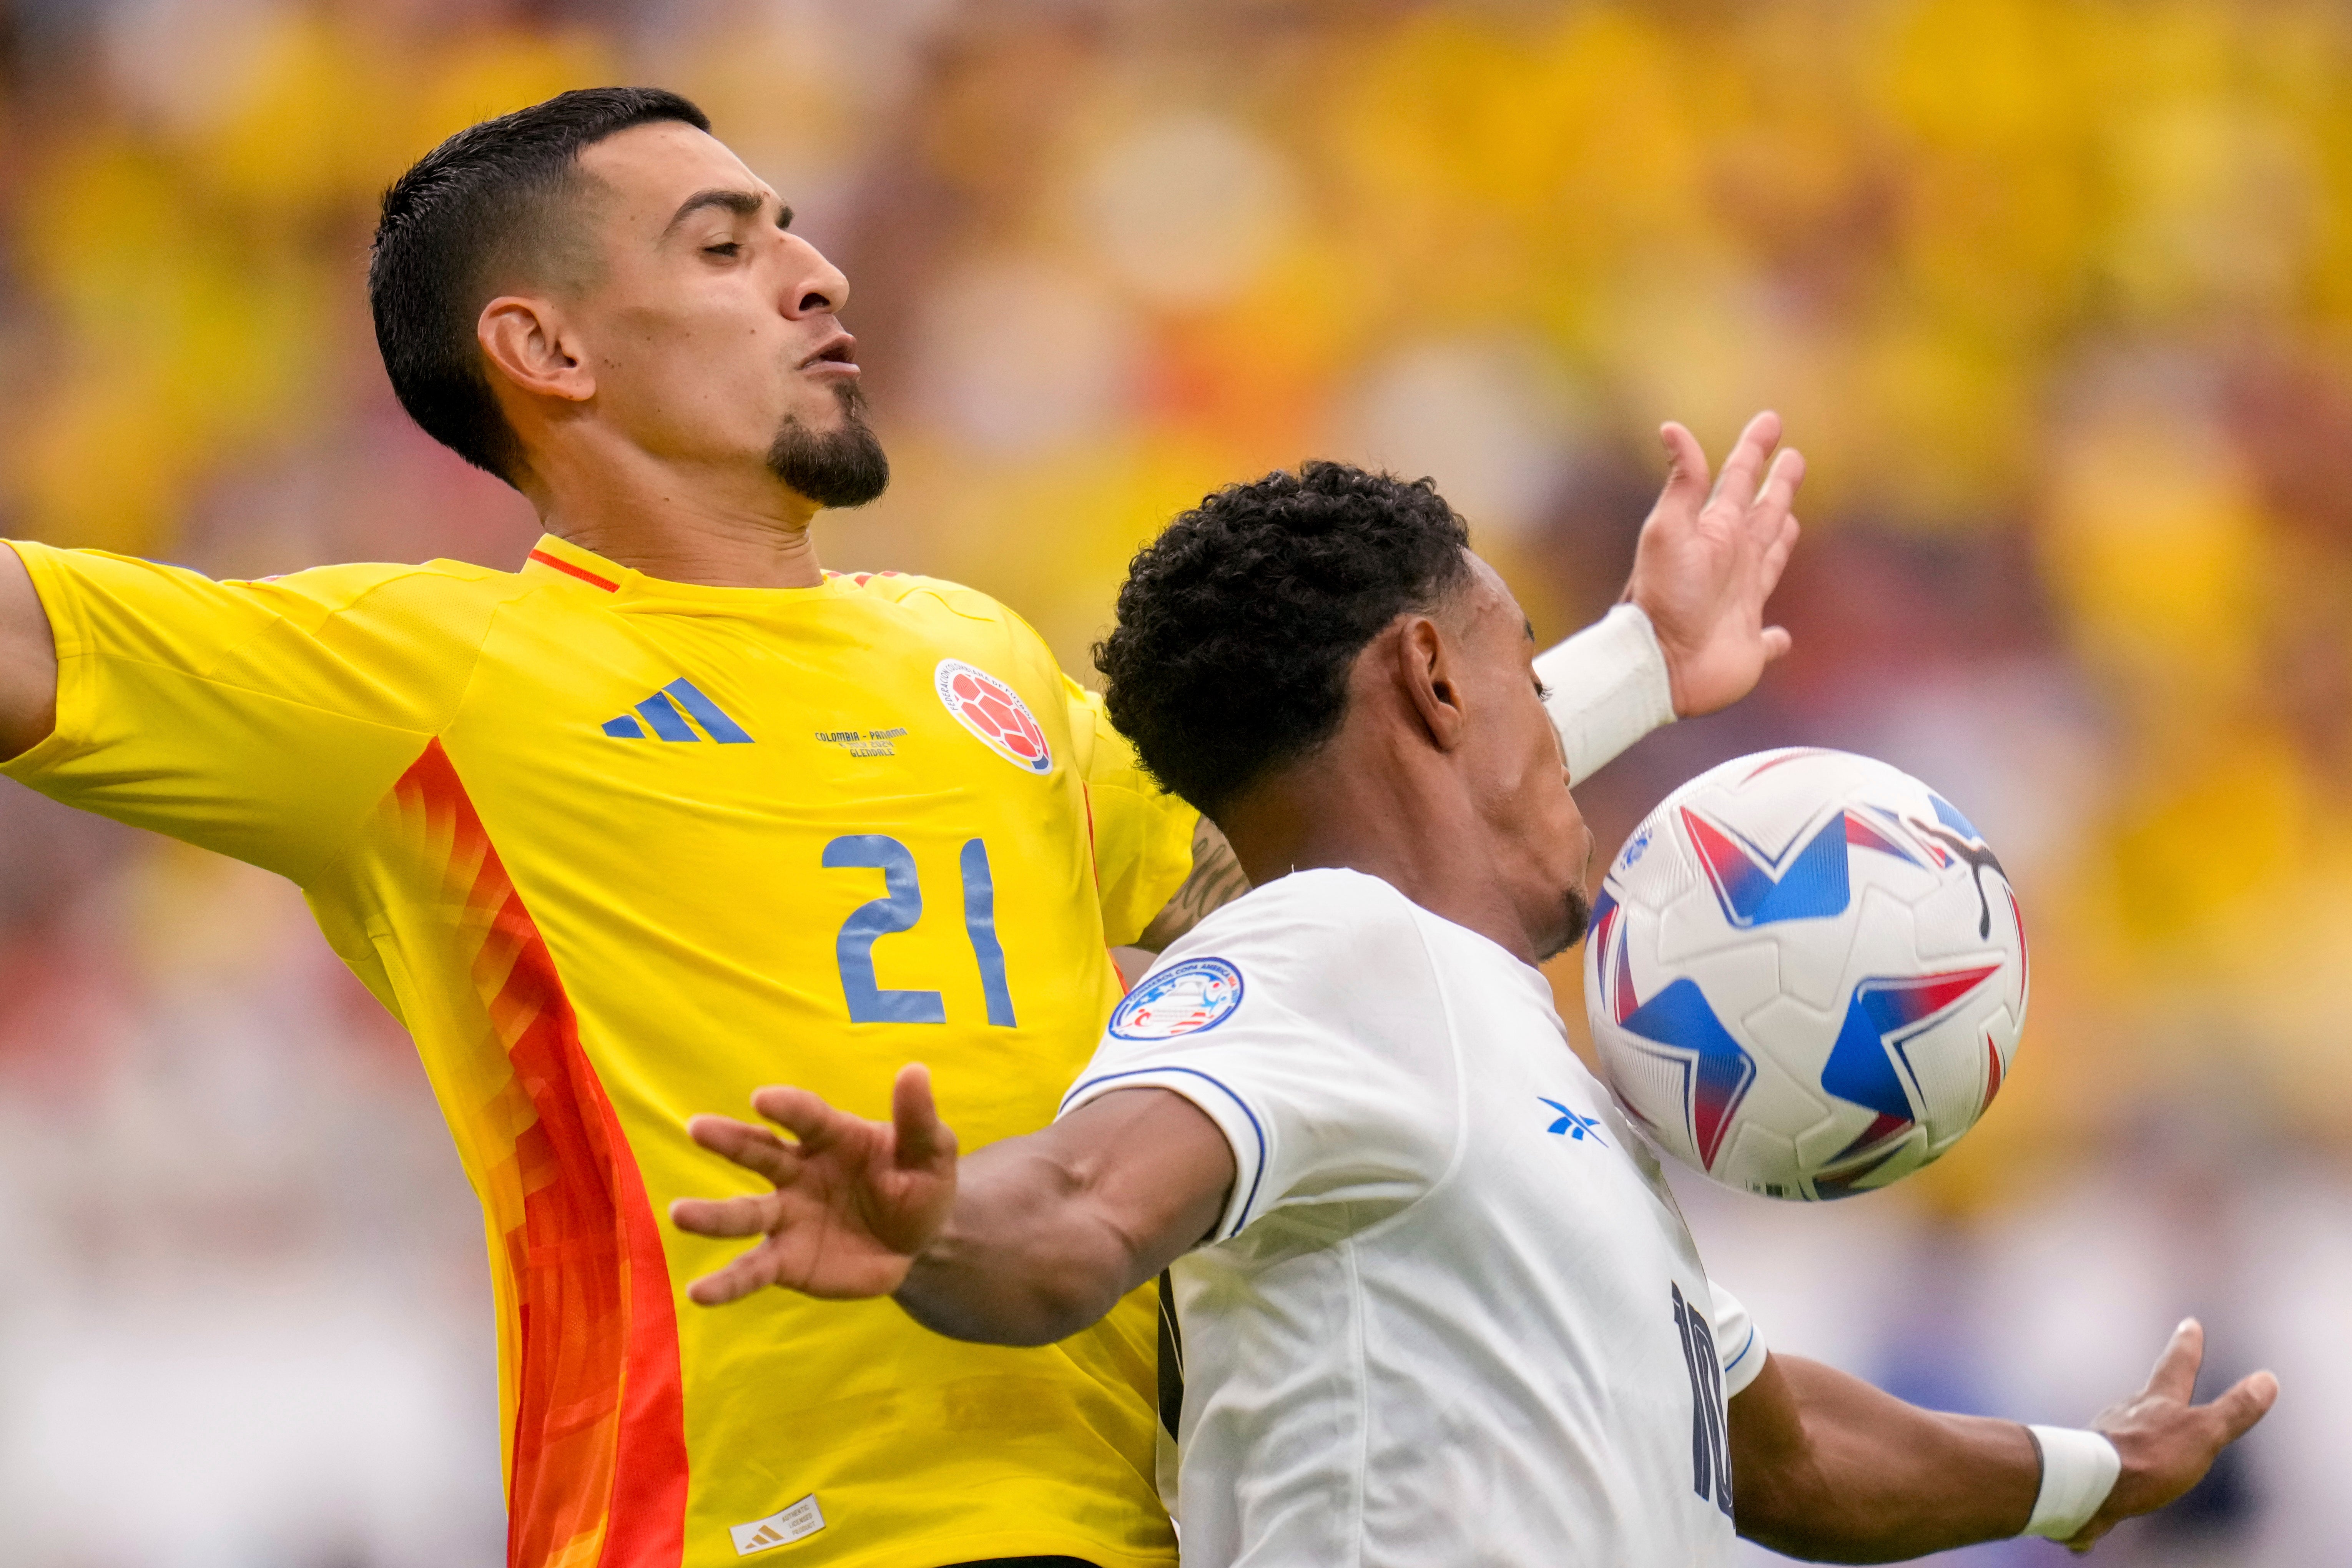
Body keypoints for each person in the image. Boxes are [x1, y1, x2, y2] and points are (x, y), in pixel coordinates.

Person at [0, 88, 1809, 1568]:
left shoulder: (966, 651)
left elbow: (1310, 844)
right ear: (543, 346)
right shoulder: (430, 676)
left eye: (794, 227)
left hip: (1126, 1521)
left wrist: (1641, 662)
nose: (815, 271)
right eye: (726, 246)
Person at [673, 462, 2278, 1565]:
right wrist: (941, 1225)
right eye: (1524, 664)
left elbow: (1789, 1457)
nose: (1550, 724)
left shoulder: (1500, 1056)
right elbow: (1090, 1204)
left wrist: (2094, 1474)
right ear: (1435, 677)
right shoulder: (1332, 955)